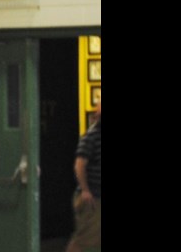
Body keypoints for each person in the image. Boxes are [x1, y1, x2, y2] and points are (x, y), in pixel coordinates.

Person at [65, 101, 100, 252]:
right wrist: (85, 190)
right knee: (85, 240)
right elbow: (79, 165)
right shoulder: (91, 136)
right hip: (93, 198)